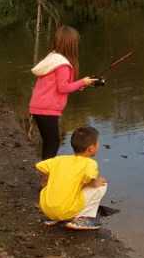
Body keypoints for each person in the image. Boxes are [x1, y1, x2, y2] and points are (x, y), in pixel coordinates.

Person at [29, 25, 96, 160]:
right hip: (47, 109)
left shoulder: (52, 58)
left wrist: (77, 86)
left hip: (38, 107)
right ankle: (46, 175)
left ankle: (45, 172)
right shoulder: (63, 64)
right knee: (52, 143)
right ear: (70, 44)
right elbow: (63, 88)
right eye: (75, 42)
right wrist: (83, 82)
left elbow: (56, 85)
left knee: (49, 141)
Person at [36, 126, 108, 231]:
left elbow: (40, 166)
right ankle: (83, 219)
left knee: (69, 186)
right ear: (91, 148)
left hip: (47, 209)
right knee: (102, 186)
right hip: (65, 210)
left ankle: (54, 217)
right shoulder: (89, 163)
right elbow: (91, 182)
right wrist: (98, 181)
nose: (98, 146)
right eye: (97, 143)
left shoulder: (60, 159)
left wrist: (46, 180)